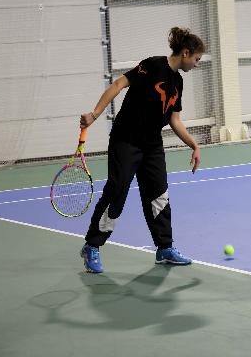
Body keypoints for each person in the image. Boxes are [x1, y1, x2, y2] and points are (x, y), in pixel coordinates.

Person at [78, 27, 204, 273]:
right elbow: (118, 84)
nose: (197, 64)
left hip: (152, 144)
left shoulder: (178, 82)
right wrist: (95, 114)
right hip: (126, 139)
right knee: (116, 193)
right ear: (186, 53)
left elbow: (174, 120)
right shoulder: (153, 65)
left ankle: (164, 248)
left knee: (159, 195)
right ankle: (92, 246)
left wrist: (194, 144)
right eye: (196, 59)